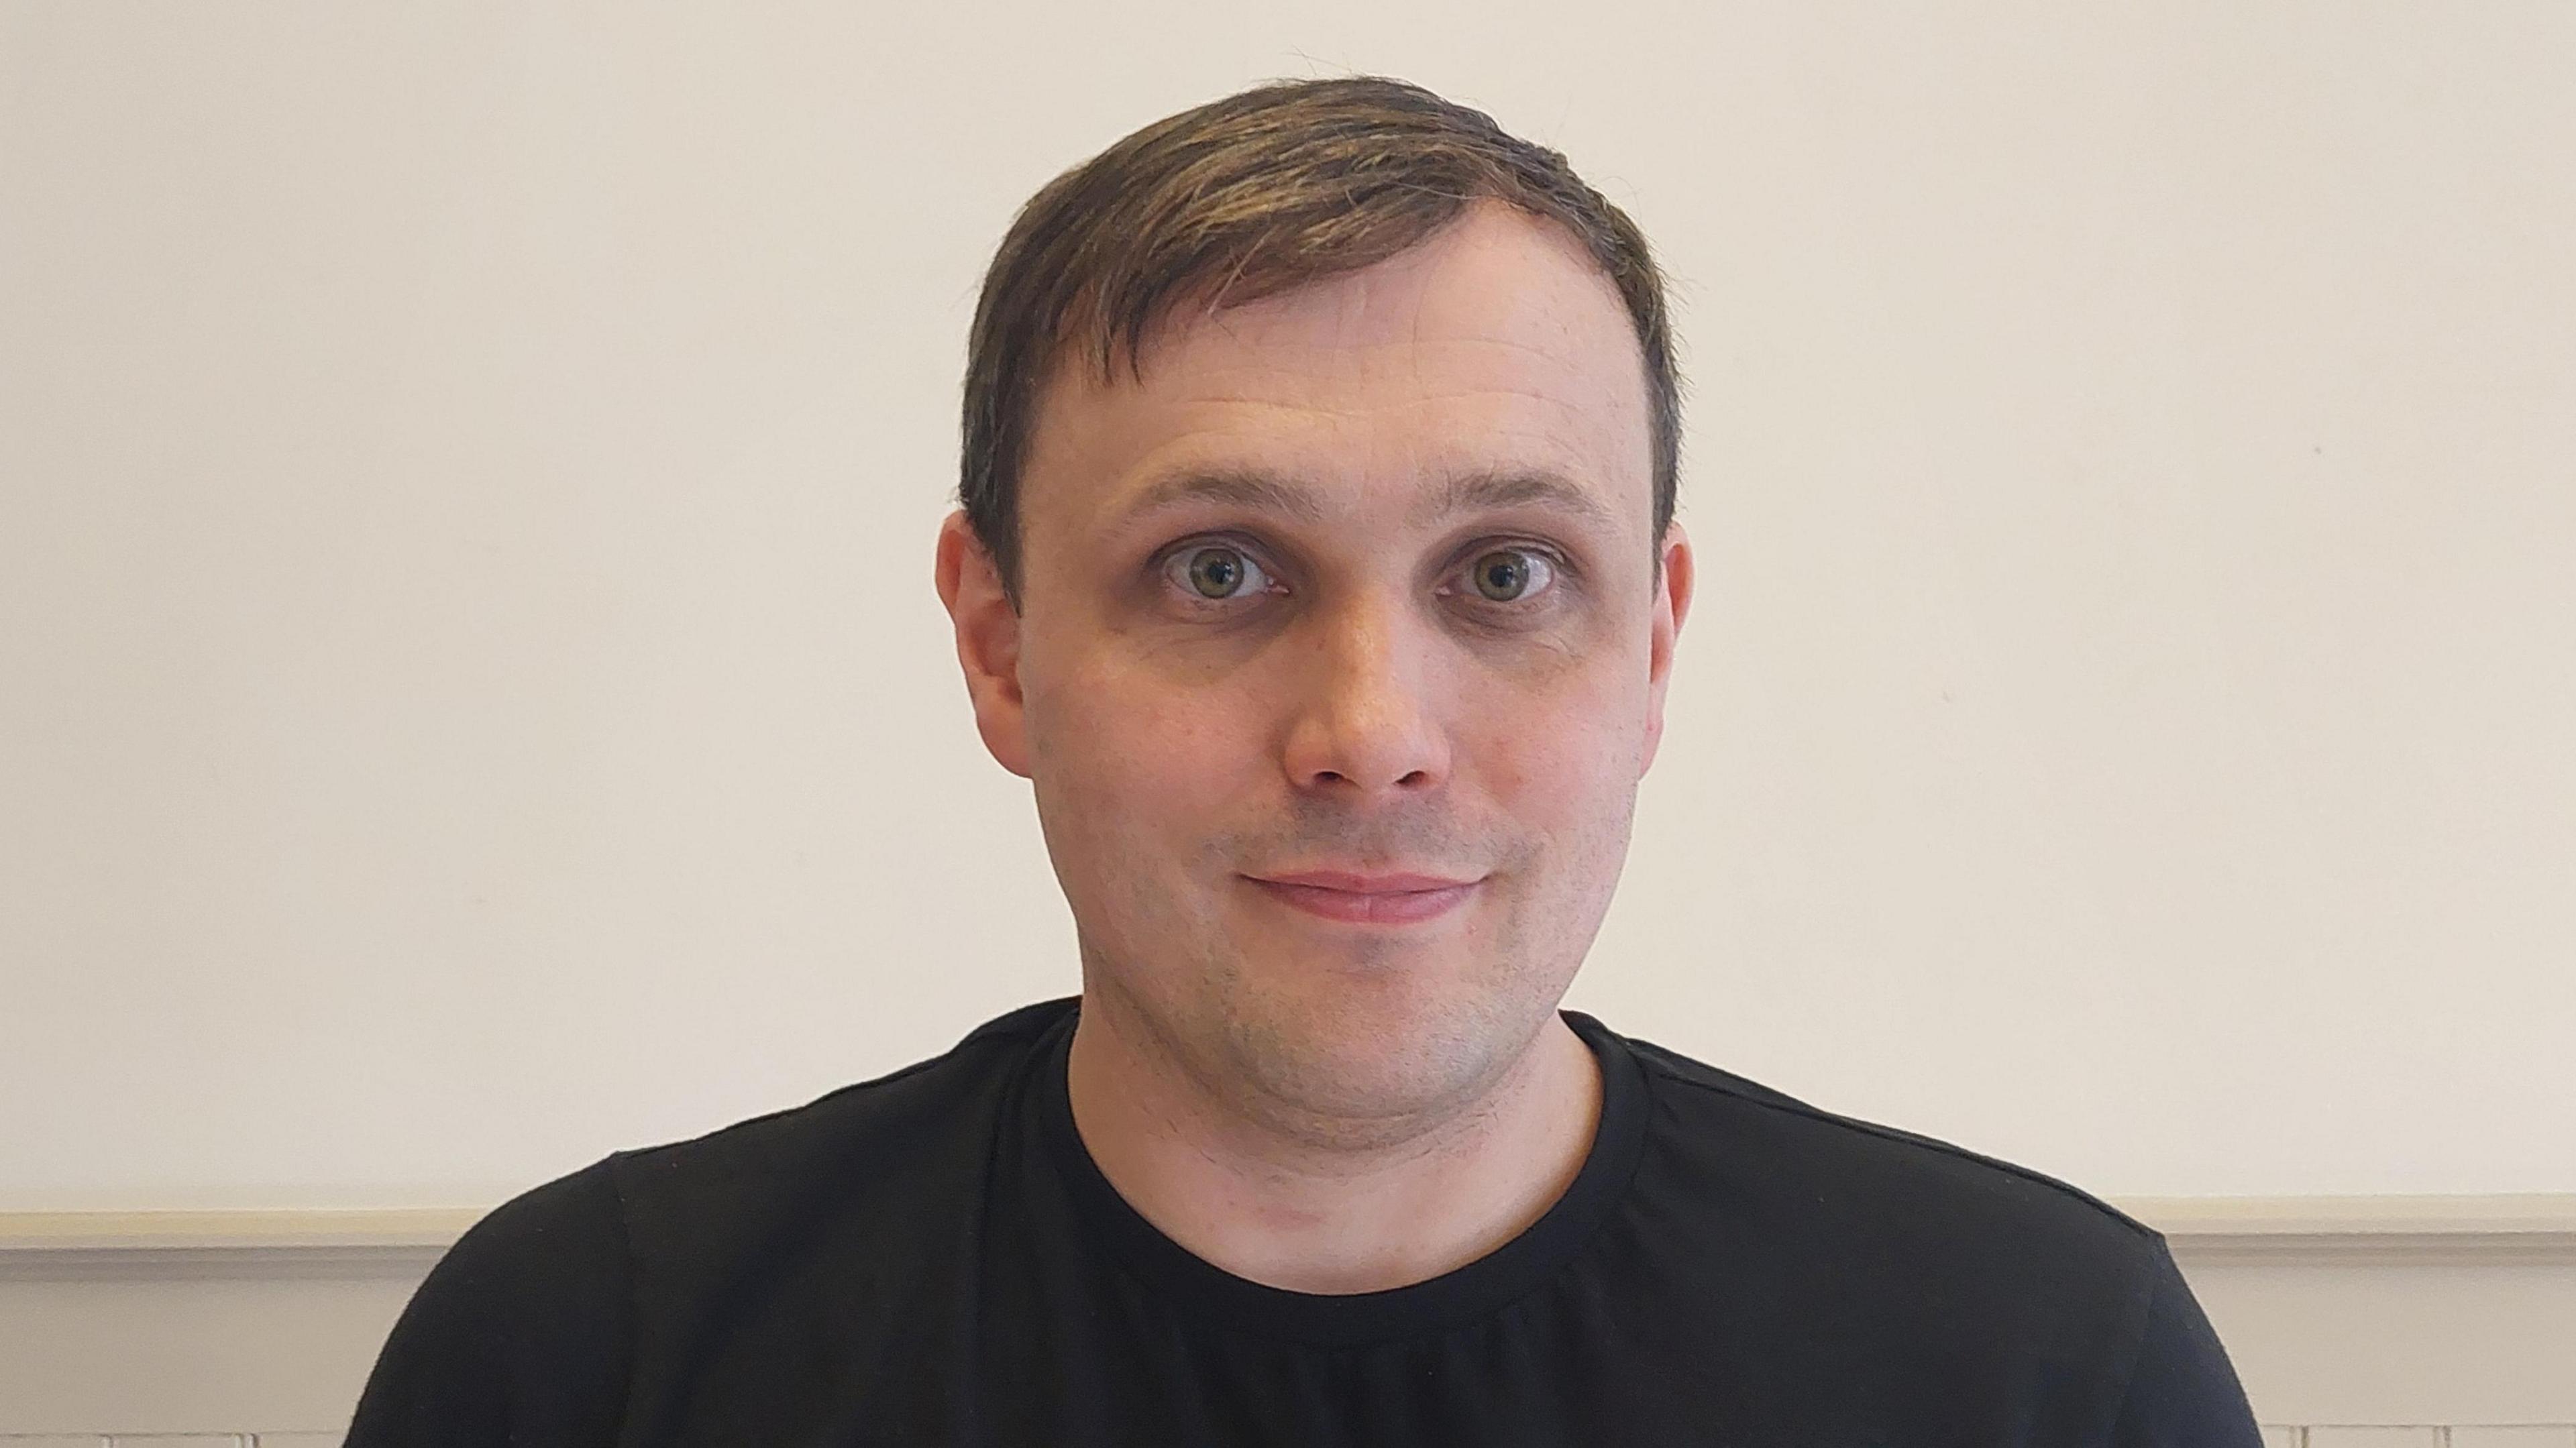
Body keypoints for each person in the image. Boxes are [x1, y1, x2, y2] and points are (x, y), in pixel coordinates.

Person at [346, 76, 2264, 1445]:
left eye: (1507, 573)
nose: (1371, 735)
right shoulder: (591, 1365)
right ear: (1001, 647)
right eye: (1219, 569)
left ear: (1655, 648)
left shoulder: (2041, 1374)